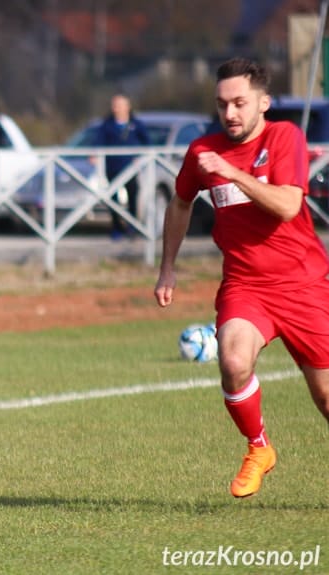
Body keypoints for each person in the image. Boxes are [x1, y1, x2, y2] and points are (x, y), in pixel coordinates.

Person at [154, 57, 329, 498]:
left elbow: (289, 206)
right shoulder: (201, 152)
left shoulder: (284, 136)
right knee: (232, 361)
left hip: (305, 285)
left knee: (326, 399)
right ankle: (259, 447)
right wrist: (168, 267)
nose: (230, 113)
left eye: (239, 103)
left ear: (263, 103)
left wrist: (234, 172)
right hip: (245, 285)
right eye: (221, 105)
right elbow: (179, 203)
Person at [94, 93, 150, 240]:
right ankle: (117, 228)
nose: (116, 108)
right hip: (113, 167)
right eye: (114, 105)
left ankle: (133, 228)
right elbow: (98, 142)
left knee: (133, 197)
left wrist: (142, 157)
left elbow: (148, 144)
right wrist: (94, 155)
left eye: (119, 105)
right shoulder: (107, 125)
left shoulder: (136, 124)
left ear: (127, 106)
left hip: (130, 168)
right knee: (113, 200)